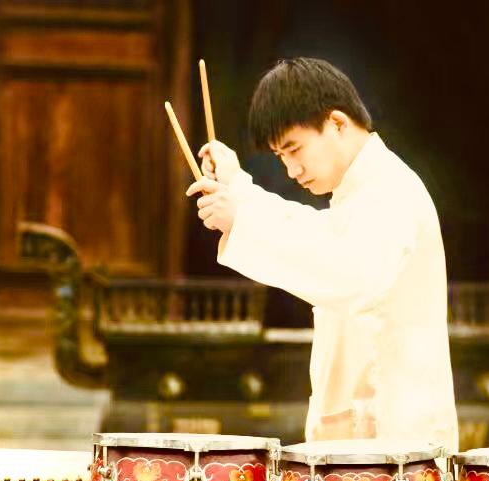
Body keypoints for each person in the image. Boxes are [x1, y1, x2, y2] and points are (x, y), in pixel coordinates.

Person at [186, 57, 458, 451]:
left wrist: (242, 213)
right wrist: (237, 187)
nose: (292, 170)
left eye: (295, 149)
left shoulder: (391, 191)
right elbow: (324, 236)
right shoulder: (361, 194)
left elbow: (343, 268)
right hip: (369, 445)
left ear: (337, 123)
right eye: (281, 157)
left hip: (398, 446)